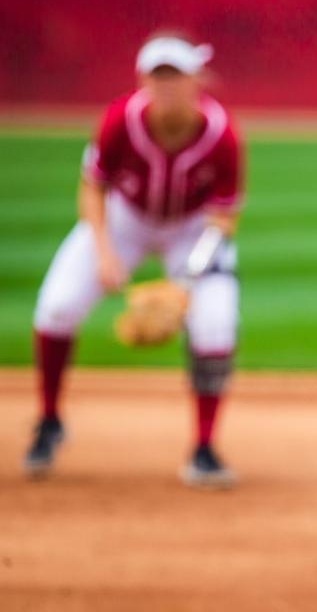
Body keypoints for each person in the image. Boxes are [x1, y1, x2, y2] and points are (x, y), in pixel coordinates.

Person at [24, 33, 243, 488]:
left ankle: (203, 449)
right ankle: (48, 420)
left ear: (196, 81)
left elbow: (223, 218)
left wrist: (188, 282)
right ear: (142, 78)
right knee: (58, 305)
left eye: (175, 76)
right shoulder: (119, 121)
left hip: (191, 229)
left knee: (216, 321)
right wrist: (104, 253)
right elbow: (93, 186)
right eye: (156, 76)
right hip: (124, 220)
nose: (165, 86)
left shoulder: (222, 135)